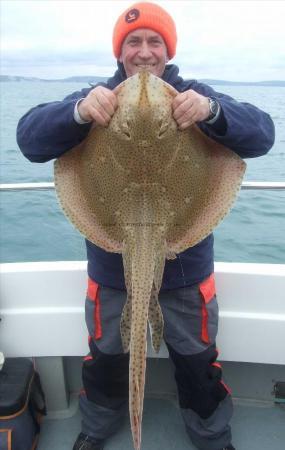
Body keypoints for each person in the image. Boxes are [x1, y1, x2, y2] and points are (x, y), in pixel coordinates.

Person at [17, 2, 275, 450]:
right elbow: (29, 138)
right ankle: (97, 429)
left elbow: (263, 134)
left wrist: (211, 111)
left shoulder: (192, 94)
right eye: (133, 41)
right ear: (120, 51)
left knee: (197, 361)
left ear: (168, 50)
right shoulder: (97, 97)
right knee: (105, 358)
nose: (143, 52)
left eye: (154, 41)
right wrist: (78, 113)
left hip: (186, 268)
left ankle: (212, 437)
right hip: (110, 268)